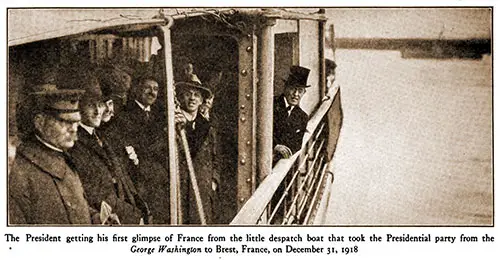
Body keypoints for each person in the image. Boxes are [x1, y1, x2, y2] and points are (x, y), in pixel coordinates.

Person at [68, 73, 150, 225]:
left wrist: (139, 209)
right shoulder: (75, 143)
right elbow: (93, 192)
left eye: (100, 105)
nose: (98, 111)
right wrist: (131, 214)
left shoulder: (100, 138)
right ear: (78, 108)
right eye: (91, 105)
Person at [8, 84, 93, 224]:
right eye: (65, 122)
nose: (73, 130)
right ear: (40, 122)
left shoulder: (62, 157)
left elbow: (74, 204)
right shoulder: (20, 171)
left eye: (76, 122)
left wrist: (95, 217)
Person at [103, 75, 170, 224]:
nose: (152, 93)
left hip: (158, 180)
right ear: (136, 89)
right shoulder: (123, 115)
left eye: (156, 89)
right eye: (148, 88)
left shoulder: (160, 116)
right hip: (137, 180)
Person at [175, 78, 220, 224]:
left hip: (202, 188)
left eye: (196, 95)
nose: (192, 98)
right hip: (180, 186)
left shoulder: (207, 127)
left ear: (201, 101)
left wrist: (213, 181)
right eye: (188, 94)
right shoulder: (173, 123)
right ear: (181, 97)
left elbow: (216, 157)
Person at [273, 65, 311, 161]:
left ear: (304, 93)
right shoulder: (271, 106)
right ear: (285, 88)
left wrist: (284, 153)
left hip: (282, 164)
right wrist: (275, 146)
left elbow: (296, 145)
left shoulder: (302, 117)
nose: (296, 94)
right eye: (293, 89)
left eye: (300, 90)